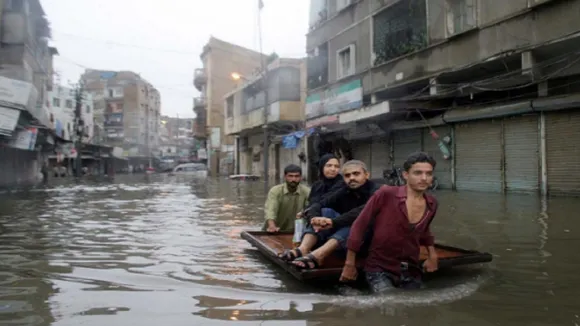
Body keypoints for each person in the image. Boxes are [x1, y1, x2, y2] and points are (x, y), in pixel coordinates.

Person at [340, 152, 439, 293]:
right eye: (417, 173)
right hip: (379, 268)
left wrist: (432, 255)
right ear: (406, 175)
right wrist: (349, 263)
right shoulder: (386, 194)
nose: (424, 178)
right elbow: (359, 225)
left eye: (428, 174)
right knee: (389, 301)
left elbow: (424, 231)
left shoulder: (432, 203)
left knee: (417, 302)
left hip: (410, 268)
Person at [289, 160, 380, 269]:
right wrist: (314, 218)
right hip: (344, 239)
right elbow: (319, 203)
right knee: (326, 211)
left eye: (356, 174)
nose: (351, 178)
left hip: (368, 241)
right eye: (347, 175)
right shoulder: (344, 190)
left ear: (366, 175)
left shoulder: (378, 191)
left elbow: (364, 211)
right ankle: (302, 249)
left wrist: (333, 222)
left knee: (356, 222)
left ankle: (318, 255)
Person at [279, 154, 343, 261]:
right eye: (329, 166)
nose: (333, 169)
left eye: (336, 166)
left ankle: (303, 249)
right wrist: (305, 212)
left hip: (335, 223)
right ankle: (302, 246)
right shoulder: (317, 185)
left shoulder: (342, 184)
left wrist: (311, 213)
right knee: (303, 214)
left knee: (325, 211)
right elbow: (313, 203)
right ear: (322, 167)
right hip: (318, 223)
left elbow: (324, 202)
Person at [263, 164, 310, 233]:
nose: (293, 179)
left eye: (296, 176)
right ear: (285, 177)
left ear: (300, 177)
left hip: (297, 231)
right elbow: (270, 210)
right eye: (290, 176)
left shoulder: (307, 191)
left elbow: (309, 210)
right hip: (274, 230)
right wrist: (272, 226)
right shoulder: (275, 191)